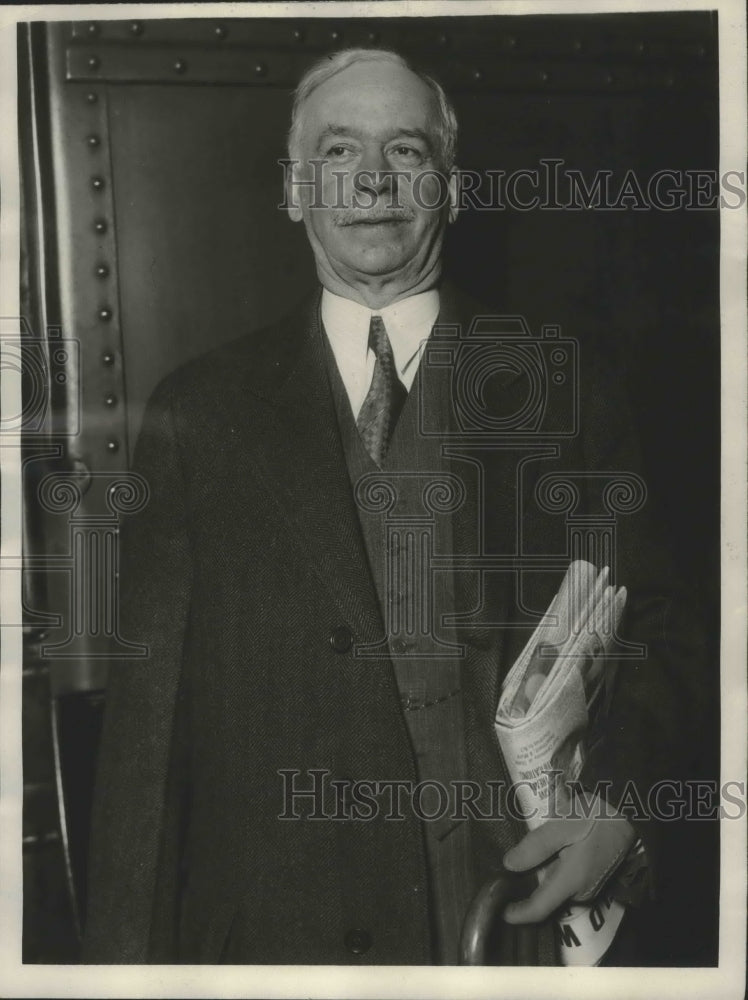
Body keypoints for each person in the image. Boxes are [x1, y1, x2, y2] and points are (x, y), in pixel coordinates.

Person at [83, 48, 706, 966]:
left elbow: (667, 631)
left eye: (407, 152)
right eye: (339, 152)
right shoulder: (196, 413)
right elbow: (147, 744)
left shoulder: (563, 385)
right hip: (278, 947)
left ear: (450, 189)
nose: (374, 179)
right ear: (293, 190)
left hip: (513, 930)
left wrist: (621, 813)